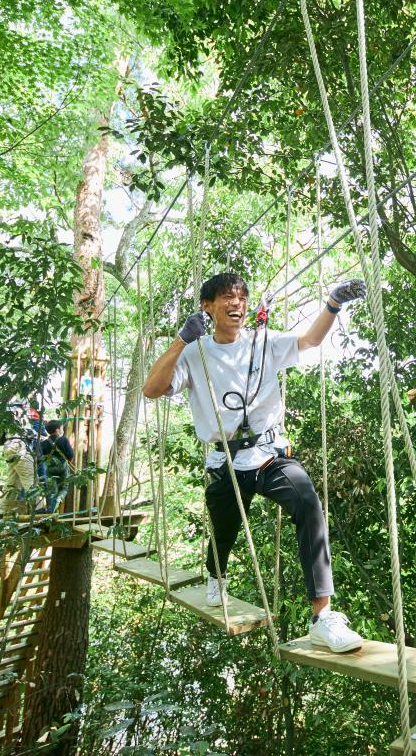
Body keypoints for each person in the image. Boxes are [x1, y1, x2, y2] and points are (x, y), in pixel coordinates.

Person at [143, 272, 366, 653]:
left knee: (307, 501)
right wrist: (181, 339)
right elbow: (152, 390)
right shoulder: (194, 353)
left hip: (268, 455)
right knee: (224, 530)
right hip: (226, 461)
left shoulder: (263, 342)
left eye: (242, 298)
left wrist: (333, 303)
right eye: (227, 298)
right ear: (207, 307)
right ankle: (217, 575)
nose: (237, 304)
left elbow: (310, 340)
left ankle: (322, 617)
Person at [40, 420, 75, 512]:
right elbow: (70, 454)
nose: (62, 430)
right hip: (62, 468)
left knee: (51, 490)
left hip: (49, 469)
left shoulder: (44, 443)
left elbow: (39, 457)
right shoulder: (63, 440)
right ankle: (54, 506)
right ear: (57, 430)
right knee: (63, 488)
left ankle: (49, 509)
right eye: (61, 428)